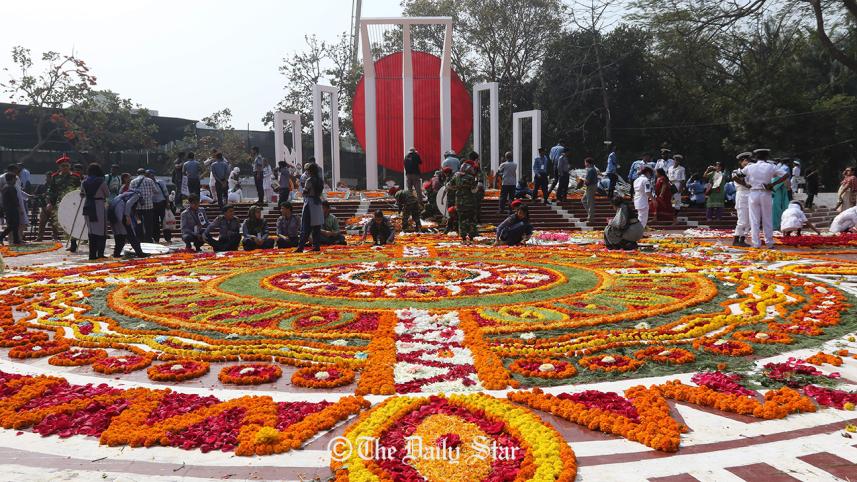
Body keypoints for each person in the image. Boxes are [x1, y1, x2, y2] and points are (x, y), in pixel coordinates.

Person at [743, 148, 788, 249]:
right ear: (766, 157)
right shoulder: (771, 166)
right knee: (767, 218)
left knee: (754, 220)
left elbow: (736, 175)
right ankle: (769, 243)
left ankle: (756, 243)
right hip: (765, 193)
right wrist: (773, 184)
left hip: (753, 193)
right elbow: (786, 175)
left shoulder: (750, 167)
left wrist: (746, 185)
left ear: (756, 157)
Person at [39, 154, 82, 251]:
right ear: (59, 167)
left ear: (70, 166)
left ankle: (73, 243)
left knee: (72, 222)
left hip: (72, 203)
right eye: (63, 166)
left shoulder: (75, 177)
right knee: (64, 223)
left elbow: (79, 190)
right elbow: (51, 190)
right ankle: (70, 241)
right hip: (60, 203)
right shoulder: (55, 177)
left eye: (67, 165)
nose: (65, 167)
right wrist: (49, 202)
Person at [80, 163, 109, 260]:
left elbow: (82, 194)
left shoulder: (84, 182)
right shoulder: (101, 182)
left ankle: (92, 255)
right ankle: (100, 253)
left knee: (91, 231)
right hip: (99, 206)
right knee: (101, 231)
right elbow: (107, 194)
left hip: (88, 206)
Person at [108, 189, 146, 258]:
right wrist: (127, 216)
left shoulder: (125, 194)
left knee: (119, 234)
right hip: (119, 210)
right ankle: (140, 253)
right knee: (130, 232)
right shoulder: (137, 195)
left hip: (112, 209)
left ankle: (116, 253)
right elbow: (128, 204)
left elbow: (132, 209)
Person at [448, 162, 480, 244]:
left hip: (459, 202)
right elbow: (474, 190)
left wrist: (457, 188)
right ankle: (471, 237)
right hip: (470, 202)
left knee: (461, 219)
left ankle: (463, 238)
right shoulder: (471, 177)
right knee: (471, 219)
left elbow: (449, 185)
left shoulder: (456, 176)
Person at [295, 163, 324, 253]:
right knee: (316, 227)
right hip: (318, 204)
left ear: (310, 171)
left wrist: (302, 190)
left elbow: (305, 192)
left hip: (309, 203)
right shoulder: (320, 180)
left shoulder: (309, 180)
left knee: (305, 226)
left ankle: (301, 247)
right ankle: (316, 246)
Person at [731, 152, 753, 247]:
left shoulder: (751, 171)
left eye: (748, 160)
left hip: (751, 195)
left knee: (749, 220)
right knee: (742, 220)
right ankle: (736, 239)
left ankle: (742, 239)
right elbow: (735, 178)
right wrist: (745, 185)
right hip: (742, 194)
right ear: (740, 162)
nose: (747, 162)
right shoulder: (736, 171)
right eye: (745, 160)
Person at [129, 169, 157, 243]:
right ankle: (148, 239)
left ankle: (139, 238)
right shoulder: (150, 180)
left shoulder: (133, 181)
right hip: (149, 207)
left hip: (137, 208)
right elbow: (155, 191)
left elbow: (130, 193)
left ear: (137, 173)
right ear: (144, 173)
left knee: (138, 223)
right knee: (149, 223)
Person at [148, 170, 169, 243]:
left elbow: (166, 193)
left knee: (165, 222)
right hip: (152, 204)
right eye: (148, 175)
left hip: (161, 203)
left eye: (151, 175)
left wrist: (167, 203)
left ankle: (168, 238)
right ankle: (156, 239)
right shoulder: (147, 184)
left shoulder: (160, 182)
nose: (150, 176)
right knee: (155, 222)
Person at [0, 173, 21, 246]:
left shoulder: (5, 187)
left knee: (13, 225)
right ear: (12, 179)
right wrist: (19, 209)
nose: (15, 180)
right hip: (12, 209)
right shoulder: (11, 187)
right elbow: (15, 200)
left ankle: (16, 240)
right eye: (15, 178)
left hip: (7, 209)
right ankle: (3, 237)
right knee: (14, 224)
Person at [771, 158, 791, 229]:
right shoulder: (774, 178)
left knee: (776, 211)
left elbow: (787, 186)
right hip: (776, 196)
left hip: (777, 196)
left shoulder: (777, 178)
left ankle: (776, 226)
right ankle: (776, 225)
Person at [582, 157, 598, 222]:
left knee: (590, 202)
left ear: (588, 163)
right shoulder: (592, 169)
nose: (585, 164)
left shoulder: (590, 170)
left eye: (585, 162)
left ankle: (591, 218)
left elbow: (587, 181)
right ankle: (590, 214)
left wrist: (582, 180)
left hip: (591, 186)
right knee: (583, 200)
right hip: (592, 186)